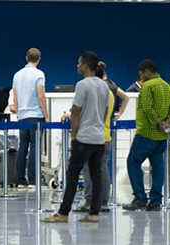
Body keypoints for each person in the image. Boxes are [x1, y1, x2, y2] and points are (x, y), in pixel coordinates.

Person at [43, 51, 108, 224]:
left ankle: (63, 213)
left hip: (84, 138)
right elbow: (106, 110)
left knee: (72, 174)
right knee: (96, 175)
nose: (77, 66)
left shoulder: (82, 85)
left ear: (85, 66)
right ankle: (94, 213)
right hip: (99, 138)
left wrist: (73, 134)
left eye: (79, 63)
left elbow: (76, 111)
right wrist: (98, 125)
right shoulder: (104, 86)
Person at [123, 59, 170, 211]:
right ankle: (155, 201)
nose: (141, 77)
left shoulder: (147, 86)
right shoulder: (167, 86)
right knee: (158, 166)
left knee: (133, 161)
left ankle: (140, 198)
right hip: (161, 136)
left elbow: (147, 108)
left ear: (147, 71)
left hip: (146, 132)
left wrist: (157, 123)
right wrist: (166, 123)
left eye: (141, 74)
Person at [76, 62, 116, 213]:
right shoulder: (109, 93)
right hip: (105, 135)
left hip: (90, 136)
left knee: (87, 170)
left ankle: (89, 201)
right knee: (103, 169)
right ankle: (103, 202)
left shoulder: (90, 92)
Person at [11, 48, 48, 188]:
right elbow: (41, 97)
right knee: (35, 147)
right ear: (39, 59)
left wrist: (19, 113)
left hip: (22, 116)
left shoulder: (17, 75)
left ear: (26, 58)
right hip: (35, 115)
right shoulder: (39, 74)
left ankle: (21, 180)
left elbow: (15, 98)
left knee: (23, 146)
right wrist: (47, 116)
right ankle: (33, 180)